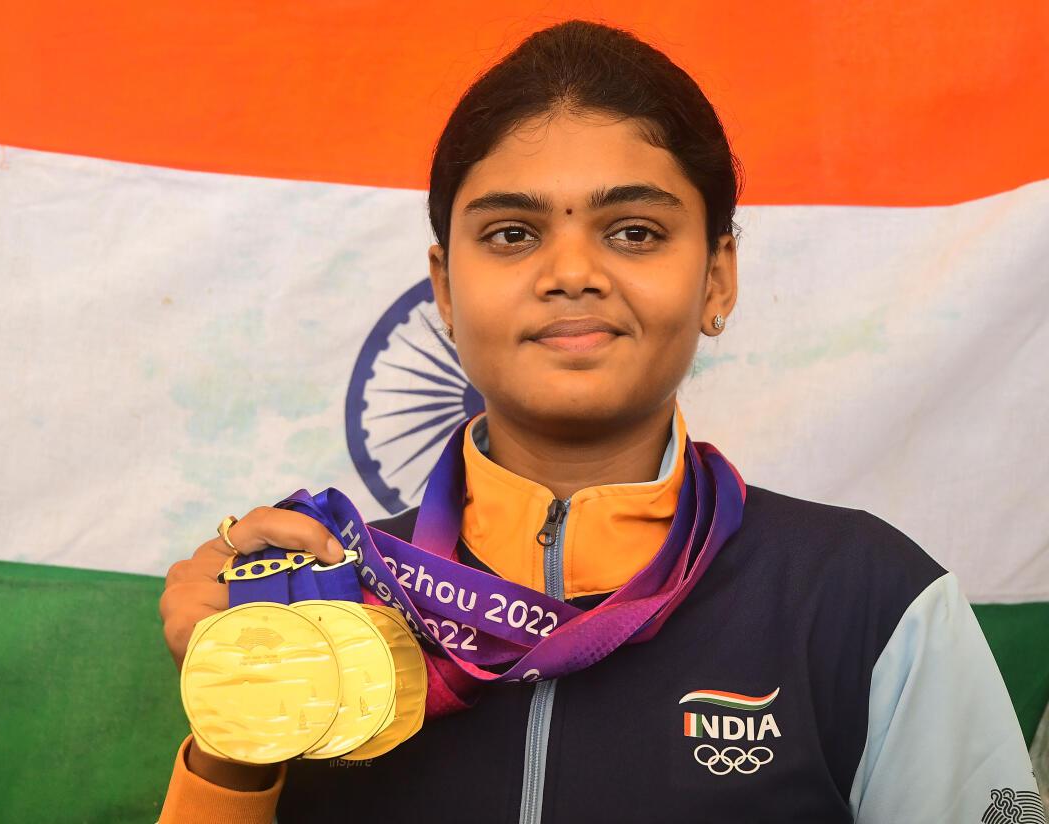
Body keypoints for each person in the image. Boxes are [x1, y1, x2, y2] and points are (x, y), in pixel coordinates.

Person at [156, 19, 1041, 823]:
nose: (571, 271)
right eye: (511, 234)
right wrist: (239, 724)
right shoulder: (323, 607)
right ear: (444, 289)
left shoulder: (873, 601)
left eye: (635, 232)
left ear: (718, 278)